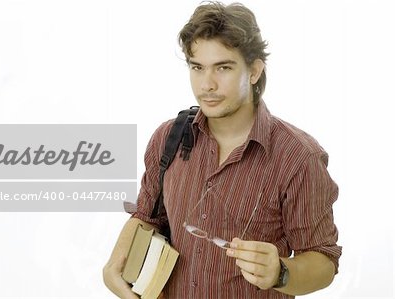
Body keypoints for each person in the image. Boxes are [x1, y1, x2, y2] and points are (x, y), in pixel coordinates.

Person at [103, 2, 341, 298]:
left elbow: (324, 260)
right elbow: (148, 216)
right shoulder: (169, 138)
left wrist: (280, 272)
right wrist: (115, 263)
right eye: (197, 67)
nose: (207, 85)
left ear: (254, 71)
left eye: (223, 68)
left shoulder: (298, 158)